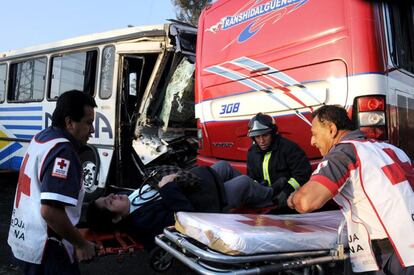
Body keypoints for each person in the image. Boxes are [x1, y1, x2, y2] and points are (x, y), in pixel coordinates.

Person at [287, 105, 414, 274]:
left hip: (392, 251)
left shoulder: (345, 152)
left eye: (314, 134)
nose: (312, 141)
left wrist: (293, 198)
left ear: (332, 129)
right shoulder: (391, 149)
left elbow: (306, 202)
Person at [8, 90, 98, 275]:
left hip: (24, 240)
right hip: (47, 250)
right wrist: (81, 244)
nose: (93, 130)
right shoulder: (63, 151)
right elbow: (50, 212)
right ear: (69, 122)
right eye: (88, 123)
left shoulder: (42, 138)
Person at [86, 165, 227, 250]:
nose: (113, 195)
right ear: (116, 219)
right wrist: (167, 187)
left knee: (224, 166)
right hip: (208, 198)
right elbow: (185, 219)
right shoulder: (143, 222)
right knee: (245, 183)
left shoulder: (129, 198)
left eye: (108, 196)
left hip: (200, 180)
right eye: (109, 202)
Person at [212, 113, 311, 210]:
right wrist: (256, 184)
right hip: (260, 192)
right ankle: (205, 191)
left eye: (265, 135)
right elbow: (252, 177)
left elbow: (303, 174)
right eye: (257, 136)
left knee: (244, 181)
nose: (261, 140)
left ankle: (213, 200)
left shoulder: (289, 148)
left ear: (272, 133)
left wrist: (286, 191)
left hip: (277, 196)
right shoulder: (252, 152)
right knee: (223, 165)